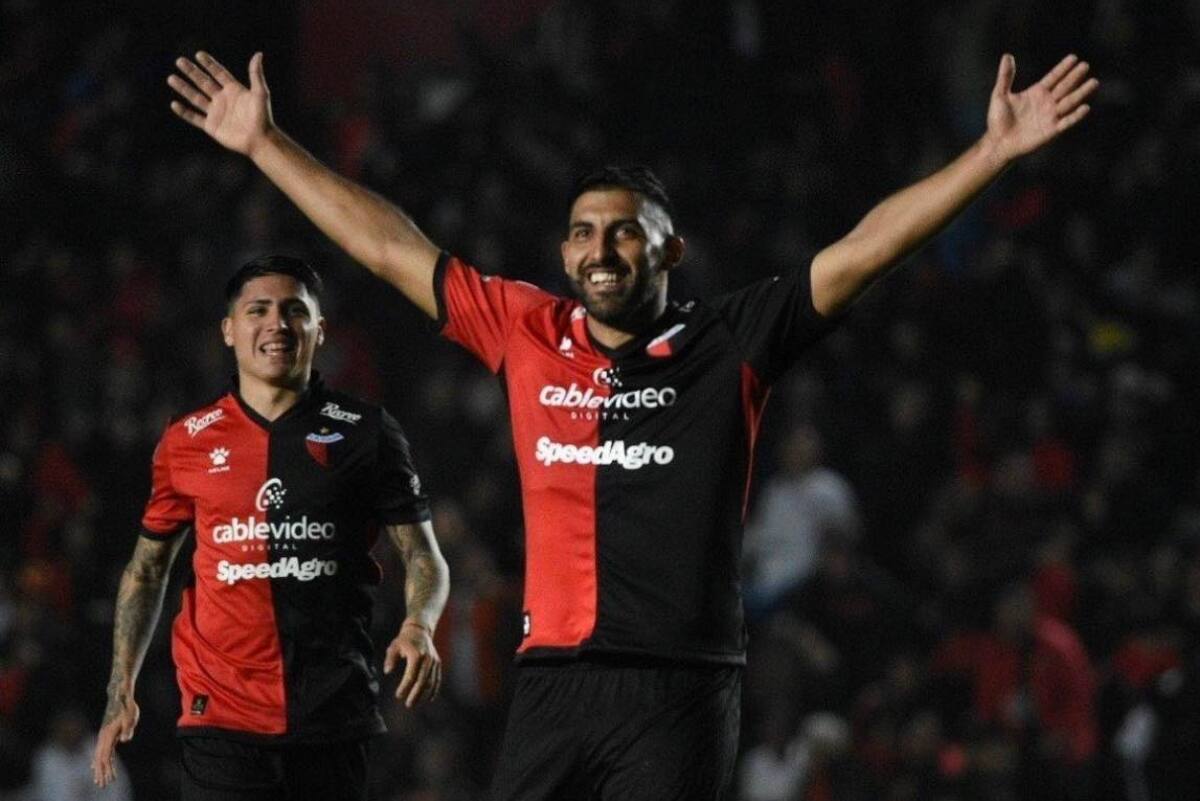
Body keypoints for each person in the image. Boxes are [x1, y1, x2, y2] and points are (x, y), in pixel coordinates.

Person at [164, 49, 1096, 800]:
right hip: (554, 679)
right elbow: (385, 245)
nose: (599, 249)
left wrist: (990, 155)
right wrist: (265, 144)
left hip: (679, 684)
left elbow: (863, 251)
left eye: (622, 231)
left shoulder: (730, 339)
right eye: (581, 231)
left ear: (668, 250)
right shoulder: (527, 329)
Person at [90, 256, 450, 801]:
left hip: (333, 714)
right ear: (229, 331)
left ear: (319, 330)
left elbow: (424, 556)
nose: (277, 324)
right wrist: (121, 688)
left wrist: (419, 625)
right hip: (221, 720)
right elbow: (146, 570)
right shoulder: (187, 441)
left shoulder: (367, 433)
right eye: (258, 310)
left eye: (294, 311)